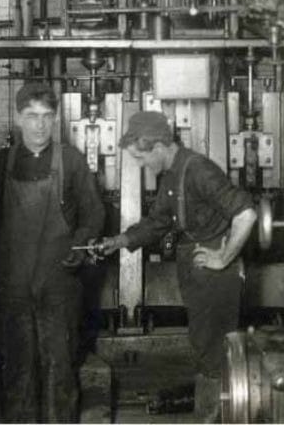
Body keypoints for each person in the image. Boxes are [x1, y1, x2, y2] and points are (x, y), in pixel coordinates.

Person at [96, 111, 257, 422]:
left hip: (216, 274)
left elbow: (246, 214)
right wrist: (118, 241)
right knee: (204, 347)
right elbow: (157, 222)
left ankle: (214, 417)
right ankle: (212, 414)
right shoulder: (173, 174)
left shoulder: (198, 170)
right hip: (198, 270)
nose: (142, 166)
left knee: (214, 351)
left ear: (158, 146)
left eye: (141, 158)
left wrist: (223, 258)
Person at [0, 84, 105, 423]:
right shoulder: (2, 164)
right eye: (32, 116)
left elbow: (94, 213)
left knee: (60, 369)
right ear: (18, 118)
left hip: (59, 284)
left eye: (47, 117)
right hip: (13, 288)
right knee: (18, 372)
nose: (39, 125)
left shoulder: (71, 161)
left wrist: (80, 243)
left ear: (55, 119)